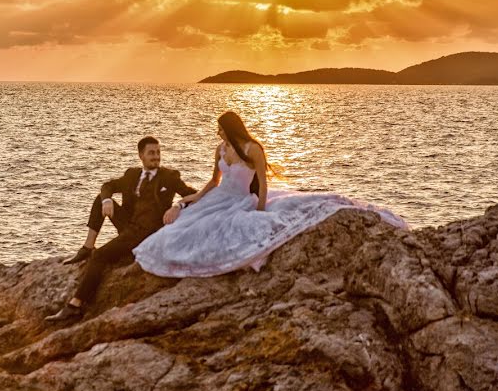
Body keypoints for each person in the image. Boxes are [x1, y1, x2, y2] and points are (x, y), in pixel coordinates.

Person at [133, 111, 408, 277]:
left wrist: (260, 209)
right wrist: (189, 200)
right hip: (219, 198)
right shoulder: (220, 148)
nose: (217, 133)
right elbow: (212, 181)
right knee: (181, 232)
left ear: (229, 127)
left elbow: (262, 185)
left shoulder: (253, 149)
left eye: (219, 128)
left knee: (231, 232)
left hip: (240, 199)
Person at [46, 136, 197, 322]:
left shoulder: (169, 176)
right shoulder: (132, 175)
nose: (156, 157)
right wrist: (107, 199)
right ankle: (87, 247)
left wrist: (178, 206)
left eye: (158, 152)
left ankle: (76, 304)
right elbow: (107, 186)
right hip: (129, 225)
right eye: (151, 153)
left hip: (146, 233)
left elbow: (193, 194)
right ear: (141, 155)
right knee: (100, 198)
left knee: (100, 256)